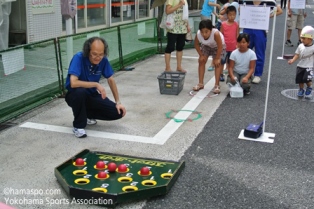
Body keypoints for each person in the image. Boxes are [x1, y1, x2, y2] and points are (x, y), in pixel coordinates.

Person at [65, 37, 126, 138]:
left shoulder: (103, 60)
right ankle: (78, 126)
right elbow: (73, 83)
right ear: (87, 51)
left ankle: (87, 115)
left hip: (92, 95)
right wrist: (96, 84)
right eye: (94, 54)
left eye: (101, 54)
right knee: (80, 92)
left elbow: (110, 79)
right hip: (75, 95)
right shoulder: (78, 58)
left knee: (118, 112)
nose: (98, 57)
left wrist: (118, 102)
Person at [241, 0, 282, 84]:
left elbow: (279, 11)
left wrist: (268, 16)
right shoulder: (247, 1)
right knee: (244, 51)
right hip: (248, 28)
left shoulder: (268, 2)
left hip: (260, 29)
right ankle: (244, 72)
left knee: (259, 53)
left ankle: (257, 74)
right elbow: (239, 9)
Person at [193, 19, 226, 94]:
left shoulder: (216, 34)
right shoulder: (198, 34)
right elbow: (196, 44)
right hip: (206, 45)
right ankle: (200, 83)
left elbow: (220, 46)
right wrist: (201, 55)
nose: (204, 34)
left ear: (211, 30)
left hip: (217, 46)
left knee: (217, 64)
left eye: (206, 32)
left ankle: (217, 85)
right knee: (201, 61)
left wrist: (217, 58)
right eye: (202, 32)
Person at [288, 26, 314, 98]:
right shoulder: (300, 46)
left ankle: (309, 87)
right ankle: (301, 89)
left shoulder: (313, 48)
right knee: (300, 79)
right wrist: (292, 60)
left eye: (303, 38)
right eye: (301, 38)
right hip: (300, 66)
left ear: (310, 39)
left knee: (307, 79)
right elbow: (297, 54)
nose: (301, 40)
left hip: (309, 66)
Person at [164, 0, 191, 73]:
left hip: (182, 27)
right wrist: (179, 5)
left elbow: (185, 14)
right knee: (170, 47)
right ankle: (167, 67)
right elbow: (168, 11)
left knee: (180, 47)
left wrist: (188, 25)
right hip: (172, 27)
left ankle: (179, 66)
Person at [220, 5, 239, 81]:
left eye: (234, 15)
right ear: (227, 15)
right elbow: (221, 35)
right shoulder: (223, 24)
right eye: (230, 15)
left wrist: (237, 44)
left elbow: (237, 35)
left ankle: (230, 74)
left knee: (231, 62)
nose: (232, 17)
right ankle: (220, 74)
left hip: (233, 47)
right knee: (222, 61)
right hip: (224, 47)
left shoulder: (236, 24)